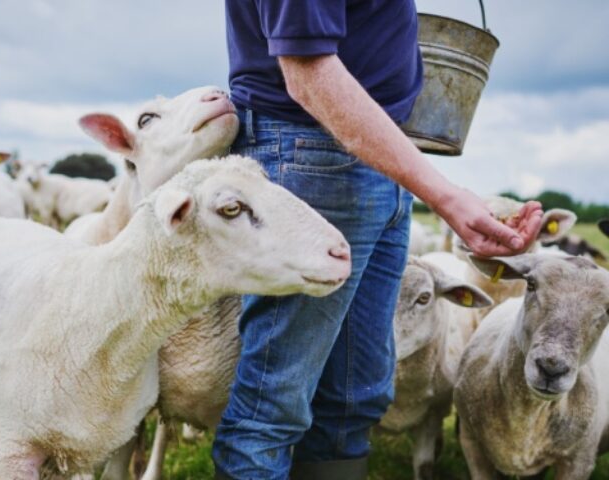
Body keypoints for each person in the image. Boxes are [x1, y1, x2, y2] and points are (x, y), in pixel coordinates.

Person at [211, 1, 544, 479]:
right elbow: (307, 70)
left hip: (378, 155)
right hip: (311, 156)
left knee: (354, 397)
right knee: (273, 404)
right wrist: (447, 198)